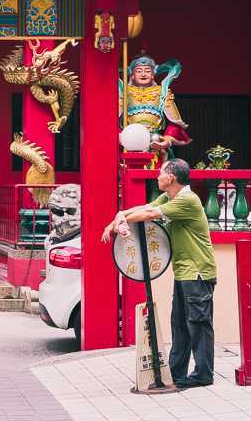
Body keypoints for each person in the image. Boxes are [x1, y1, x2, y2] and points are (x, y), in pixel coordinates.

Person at [101, 159, 217, 388]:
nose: (157, 176)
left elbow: (149, 214)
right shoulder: (171, 196)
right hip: (184, 272)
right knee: (180, 324)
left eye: (160, 172)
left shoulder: (187, 200)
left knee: (198, 323)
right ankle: (176, 373)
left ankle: (204, 374)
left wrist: (118, 221)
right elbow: (144, 207)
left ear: (171, 177)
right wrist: (119, 216)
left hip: (198, 272)